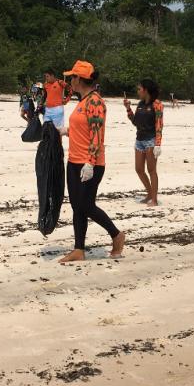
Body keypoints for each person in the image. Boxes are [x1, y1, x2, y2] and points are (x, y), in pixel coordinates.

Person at [58, 60, 124, 263]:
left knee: (86, 206)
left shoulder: (95, 101)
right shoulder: (82, 101)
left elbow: (97, 135)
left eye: (72, 77)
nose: (69, 81)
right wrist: (65, 131)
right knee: (78, 207)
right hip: (74, 161)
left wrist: (90, 162)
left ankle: (116, 235)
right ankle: (79, 249)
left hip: (90, 163)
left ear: (79, 79)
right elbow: (83, 129)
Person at [123, 79, 164, 206]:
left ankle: (154, 200)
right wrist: (128, 109)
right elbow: (135, 122)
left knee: (152, 170)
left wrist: (158, 144)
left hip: (151, 141)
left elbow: (159, 125)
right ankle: (150, 194)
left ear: (146, 90)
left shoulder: (157, 105)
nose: (138, 91)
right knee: (139, 169)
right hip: (139, 140)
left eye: (139, 89)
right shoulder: (140, 104)